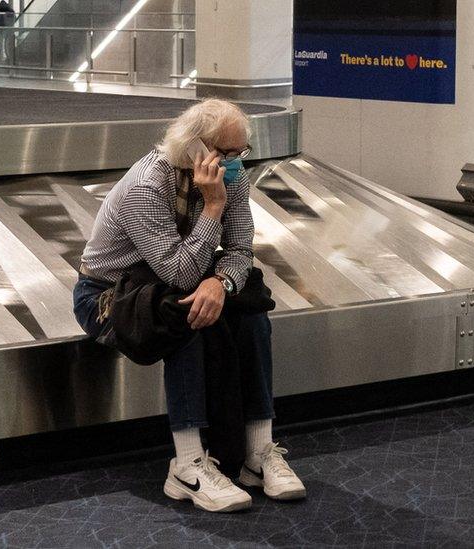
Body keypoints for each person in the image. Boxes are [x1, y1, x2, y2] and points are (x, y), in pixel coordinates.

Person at [73, 99, 306, 513]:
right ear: (195, 148)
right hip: (109, 297)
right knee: (183, 314)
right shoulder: (147, 186)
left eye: (242, 153)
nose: (236, 163)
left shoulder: (230, 177)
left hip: (179, 281)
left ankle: (258, 452)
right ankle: (187, 463)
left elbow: (238, 249)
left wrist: (221, 281)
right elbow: (178, 275)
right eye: (227, 153)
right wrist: (212, 206)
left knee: (251, 306)